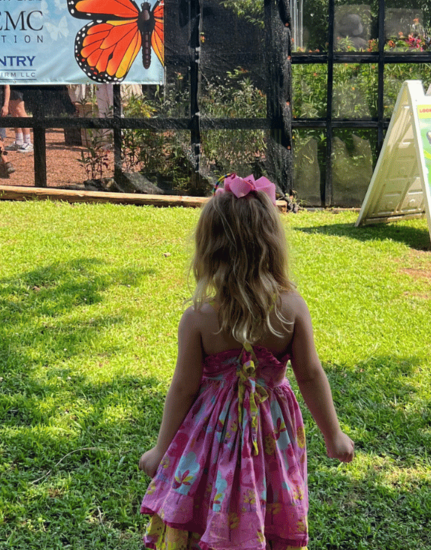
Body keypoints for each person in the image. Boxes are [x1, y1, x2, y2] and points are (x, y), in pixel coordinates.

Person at [139, 173, 354, 550]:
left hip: (211, 434)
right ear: (272, 244)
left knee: (212, 495)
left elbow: (184, 387)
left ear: (209, 250)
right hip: (273, 432)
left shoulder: (200, 317)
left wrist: (161, 449)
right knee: (271, 494)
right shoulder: (291, 309)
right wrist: (332, 434)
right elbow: (310, 375)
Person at [4, 86, 33, 153]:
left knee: (19, 110)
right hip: (11, 84)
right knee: (13, 110)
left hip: (17, 84)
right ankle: (19, 141)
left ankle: (28, 142)